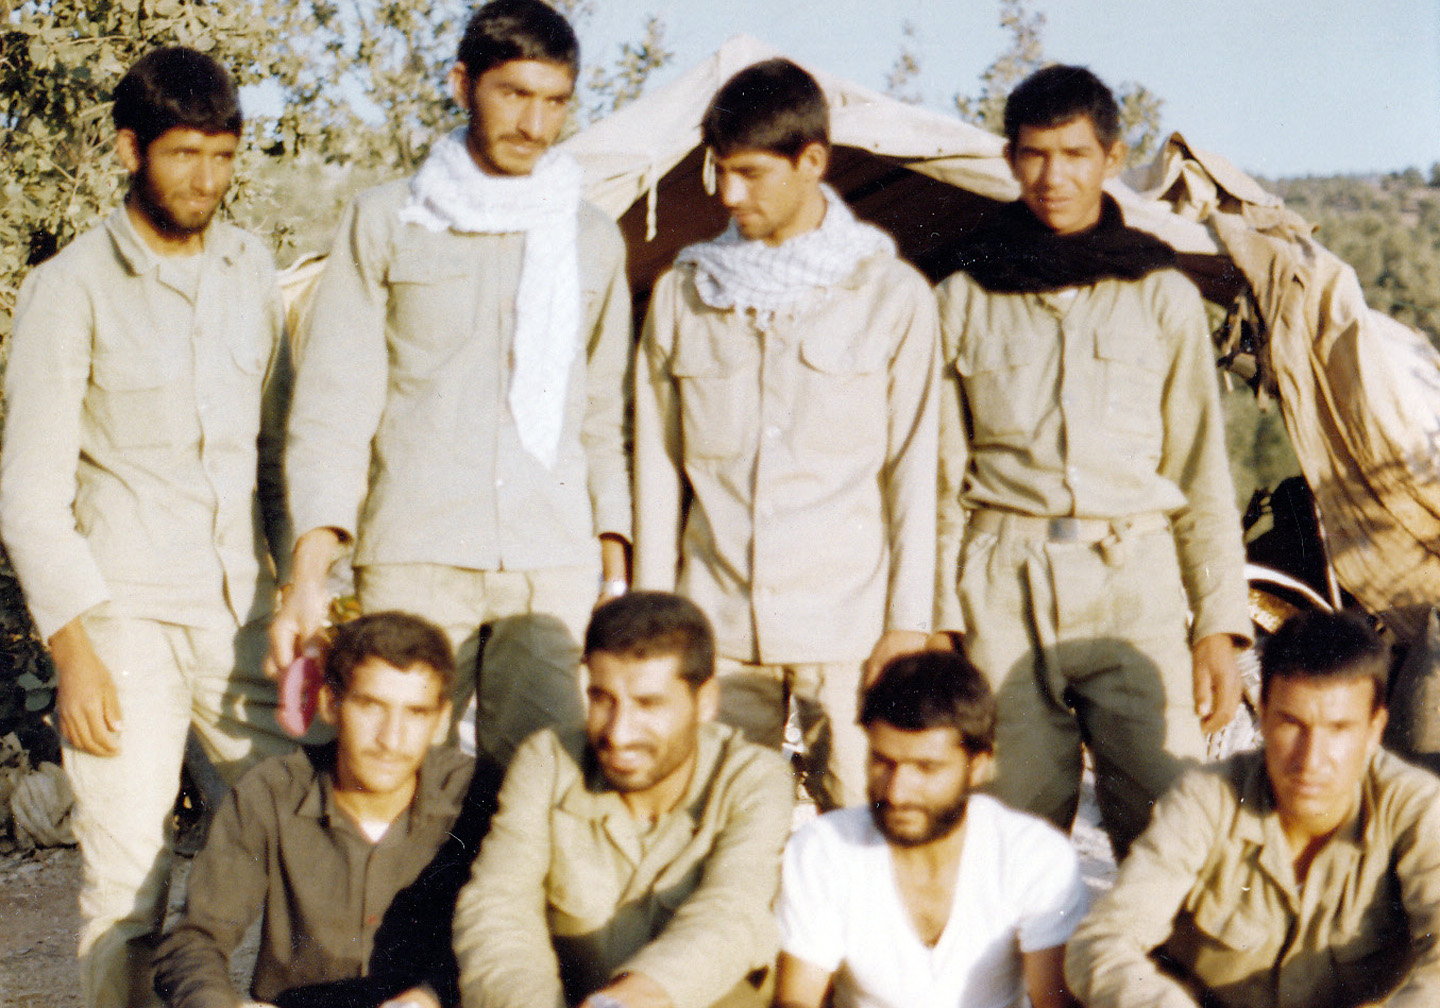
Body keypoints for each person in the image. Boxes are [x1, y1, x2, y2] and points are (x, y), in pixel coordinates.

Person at [0, 47, 298, 1008]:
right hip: (121, 626)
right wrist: (74, 654)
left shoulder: (251, 271)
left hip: (244, 618)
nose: (205, 180)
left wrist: (304, 597)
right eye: (183, 155)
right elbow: (28, 497)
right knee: (128, 889)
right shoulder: (68, 290)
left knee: (308, 843)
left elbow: (277, 458)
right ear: (131, 150)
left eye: (223, 156)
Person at [269, 0, 632, 764]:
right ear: (463, 84)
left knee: (544, 785)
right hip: (415, 556)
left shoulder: (593, 239)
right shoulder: (384, 220)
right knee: (396, 778)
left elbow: (602, 417)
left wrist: (615, 579)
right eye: (514, 94)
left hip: (551, 565)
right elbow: (334, 407)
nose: (534, 124)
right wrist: (307, 580)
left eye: (555, 101)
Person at [932, 64, 1250, 858]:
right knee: (1006, 834)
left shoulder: (1160, 292)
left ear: (1112, 157)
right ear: (1010, 159)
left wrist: (1218, 624)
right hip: (1001, 585)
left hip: (1133, 581)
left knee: (1173, 825)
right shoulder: (963, 294)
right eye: (1035, 154)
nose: (1054, 177)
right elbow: (934, 485)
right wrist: (937, 618)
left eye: (1075, 154)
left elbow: (1202, 473)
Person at [633, 58, 939, 809]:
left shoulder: (890, 295)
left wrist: (908, 625)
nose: (729, 195)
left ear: (813, 161)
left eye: (751, 174)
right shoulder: (684, 294)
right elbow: (656, 468)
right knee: (714, 831)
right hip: (715, 629)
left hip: (850, 633)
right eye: (720, 171)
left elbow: (914, 471)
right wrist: (654, 616)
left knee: (869, 831)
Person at [1066, 610, 1440, 1007]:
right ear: (1262, 712)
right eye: (1292, 723)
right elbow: (1104, 940)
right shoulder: (1207, 800)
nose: (1310, 759)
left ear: (1374, 729)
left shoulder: (1413, 809)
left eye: (1338, 729)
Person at [452, 591, 794, 1008]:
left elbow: (732, 913)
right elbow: (497, 907)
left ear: (705, 702)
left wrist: (626, 1000)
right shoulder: (549, 760)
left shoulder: (753, 778)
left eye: (648, 704)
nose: (618, 732)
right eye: (602, 699)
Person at [154, 612, 502, 1008]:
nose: (391, 739)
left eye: (415, 713)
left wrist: (433, 995)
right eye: (371, 706)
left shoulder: (477, 797)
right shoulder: (272, 792)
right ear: (330, 704)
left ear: (441, 719)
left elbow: (514, 934)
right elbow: (195, 939)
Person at [775, 651, 1087, 1008]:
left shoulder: (1032, 853)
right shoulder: (823, 849)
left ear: (978, 766)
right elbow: (797, 999)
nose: (897, 792)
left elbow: (1052, 1000)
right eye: (883, 762)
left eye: (926, 768)